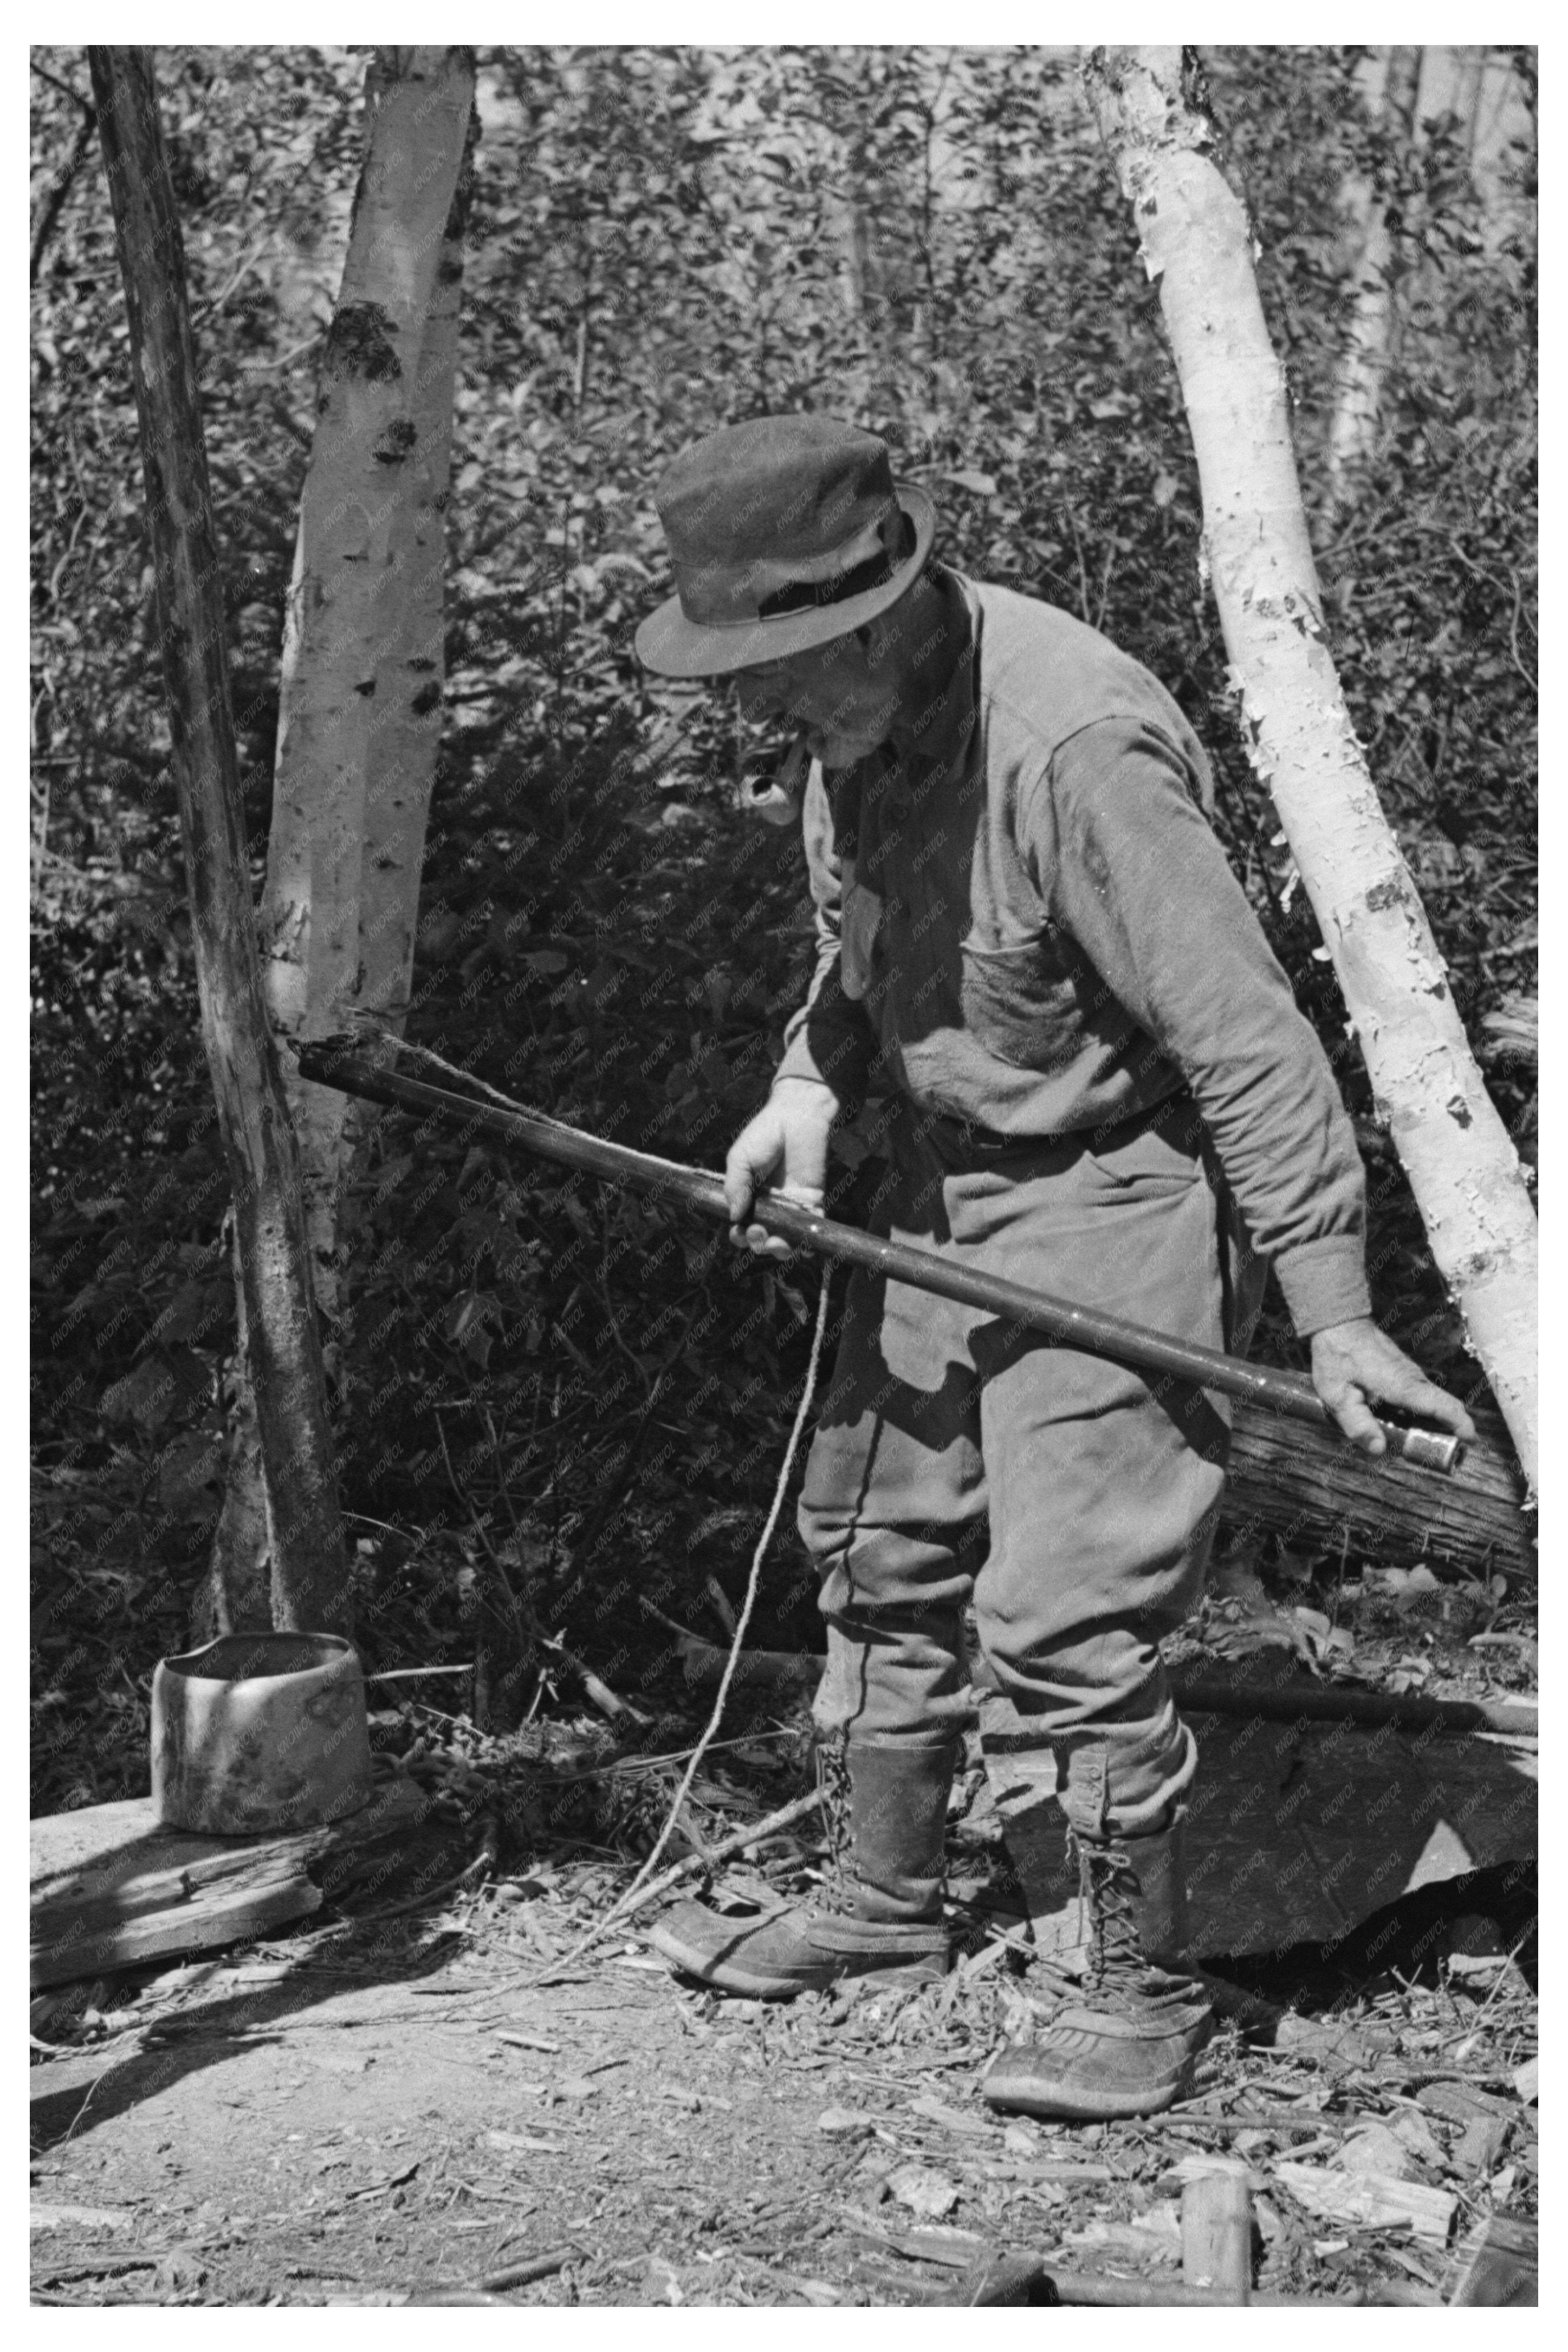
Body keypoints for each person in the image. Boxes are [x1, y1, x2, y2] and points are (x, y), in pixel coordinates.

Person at [632, 414, 1473, 2120]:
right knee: (880, 1542)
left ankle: (1129, 1982)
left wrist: (1334, 1307)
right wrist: (807, 1084)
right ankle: (884, 1898)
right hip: (932, 1185)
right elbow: (848, 951)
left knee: (1069, 1603)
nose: (752, 709)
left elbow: (1247, 1042)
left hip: (1113, 1191)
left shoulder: (1076, 743)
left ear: (869, 616)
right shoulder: (851, 727)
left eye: (773, 671)